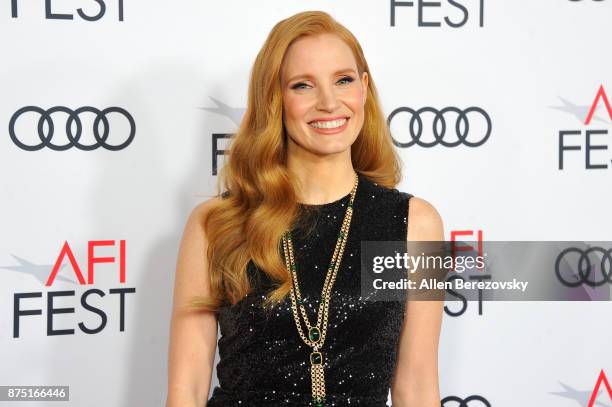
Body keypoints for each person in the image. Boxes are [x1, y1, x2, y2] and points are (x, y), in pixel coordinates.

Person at [166, 10, 444, 407]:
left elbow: (417, 387)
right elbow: (185, 391)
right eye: (302, 86)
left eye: (343, 80)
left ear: (364, 88)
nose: (329, 103)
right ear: (274, 99)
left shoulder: (415, 225)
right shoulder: (218, 224)